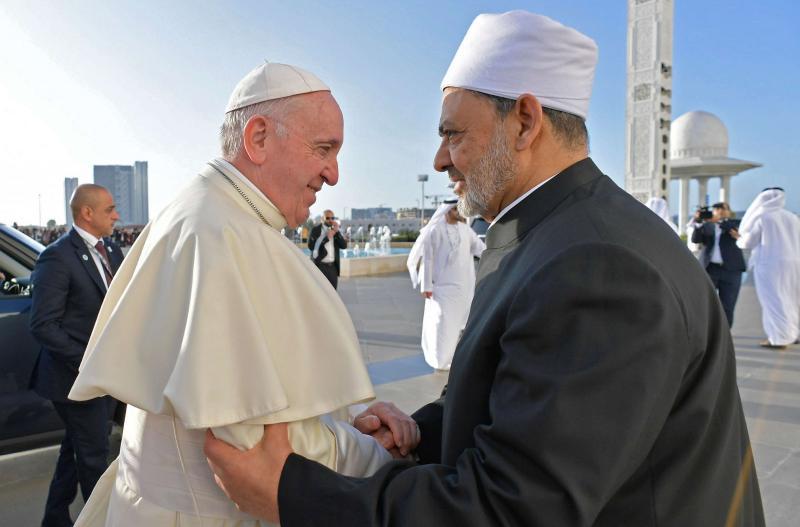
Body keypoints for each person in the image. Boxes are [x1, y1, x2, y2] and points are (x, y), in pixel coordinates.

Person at [204, 11, 764, 526]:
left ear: (524, 122)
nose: (439, 159)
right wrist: (416, 432)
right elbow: (520, 398)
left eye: (453, 134)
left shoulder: (600, 266)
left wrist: (292, 493)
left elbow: (513, 507)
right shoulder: (560, 232)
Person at [67, 62, 398, 526]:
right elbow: (262, 448)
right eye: (324, 149)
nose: (334, 174)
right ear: (258, 137)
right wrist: (377, 454)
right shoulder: (222, 236)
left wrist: (355, 415)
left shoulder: (205, 212)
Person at [29, 184, 123, 527]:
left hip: (104, 376)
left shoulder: (110, 249)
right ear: (87, 213)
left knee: (74, 452)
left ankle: (54, 518)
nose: (117, 216)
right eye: (110, 209)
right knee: (94, 461)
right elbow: (43, 325)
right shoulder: (57, 256)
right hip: (76, 379)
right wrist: (90, 362)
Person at [407, 200, 485, 370]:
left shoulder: (466, 230)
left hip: (463, 287)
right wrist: (426, 286)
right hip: (441, 287)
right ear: (447, 211)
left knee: (457, 325)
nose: (459, 212)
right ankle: (439, 360)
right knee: (442, 323)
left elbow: (481, 249)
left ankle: (450, 358)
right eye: (455, 209)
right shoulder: (435, 230)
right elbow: (428, 259)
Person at [736, 187, 800, 349]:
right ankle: (793, 333)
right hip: (793, 263)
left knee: (773, 300)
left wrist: (738, 238)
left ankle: (779, 337)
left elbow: (748, 242)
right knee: (792, 299)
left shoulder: (763, 217)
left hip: (770, 264)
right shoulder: (792, 217)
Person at [690, 202, 746, 326]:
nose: (719, 211)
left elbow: (736, 230)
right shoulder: (708, 225)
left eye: (722, 208)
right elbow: (695, 239)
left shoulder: (737, 223)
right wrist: (699, 222)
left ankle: (724, 336)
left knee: (728, 305)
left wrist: (719, 222)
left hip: (731, 271)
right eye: (716, 208)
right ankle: (704, 331)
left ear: (729, 211)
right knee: (703, 303)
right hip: (710, 269)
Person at [307, 209, 347, 289]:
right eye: (328, 218)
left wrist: (337, 232)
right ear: (323, 218)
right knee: (320, 293)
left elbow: (344, 246)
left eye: (332, 218)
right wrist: (326, 239)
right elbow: (311, 246)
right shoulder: (316, 230)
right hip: (320, 266)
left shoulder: (335, 231)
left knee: (333, 294)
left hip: (333, 268)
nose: (330, 220)